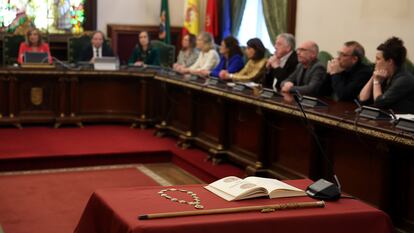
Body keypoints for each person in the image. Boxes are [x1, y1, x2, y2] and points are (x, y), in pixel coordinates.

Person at [359, 37, 414, 113]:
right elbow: (362, 99)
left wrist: (377, 82)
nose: (375, 62)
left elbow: (379, 104)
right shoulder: (384, 76)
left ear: (390, 61)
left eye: (378, 59)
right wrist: (374, 77)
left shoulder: (404, 79)